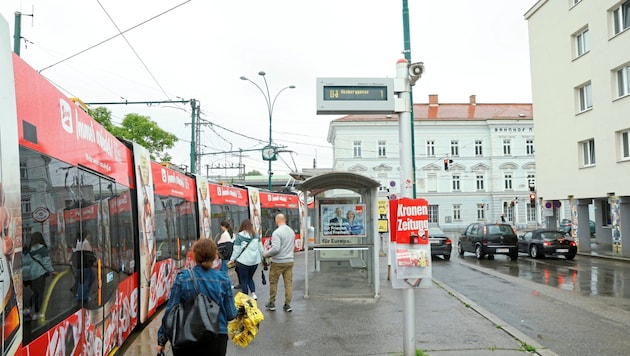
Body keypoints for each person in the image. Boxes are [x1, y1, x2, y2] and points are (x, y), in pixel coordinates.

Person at [157, 238, 237, 356]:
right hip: (216, 336)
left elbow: (170, 311)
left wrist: (162, 339)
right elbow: (231, 315)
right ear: (215, 256)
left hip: (186, 336)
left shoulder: (182, 278)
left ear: (194, 256)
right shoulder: (223, 279)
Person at [263, 214, 295, 312]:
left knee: (273, 282)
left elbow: (275, 249)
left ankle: (272, 303)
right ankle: (287, 304)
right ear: (284, 220)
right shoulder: (291, 231)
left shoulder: (277, 232)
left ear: (277, 221)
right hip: (289, 261)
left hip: (278, 262)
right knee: (288, 284)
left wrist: (266, 254)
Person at [22, 232, 54, 320]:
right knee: (39, 294)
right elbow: (46, 262)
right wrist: (51, 270)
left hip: (28, 276)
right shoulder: (42, 248)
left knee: (35, 293)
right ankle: (36, 313)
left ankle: (27, 308)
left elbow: (24, 263)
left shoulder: (27, 249)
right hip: (39, 274)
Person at [229, 219, 263, 300]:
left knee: (244, 280)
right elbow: (260, 248)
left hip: (243, 262)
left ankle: (245, 297)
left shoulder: (239, 236)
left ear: (242, 226)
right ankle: (253, 294)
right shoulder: (256, 235)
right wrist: (262, 258)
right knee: (250, 278)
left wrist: (232, 259)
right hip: (254, 262)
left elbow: (236, 250)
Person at [73, 232, 96, 304]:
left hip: (79, 265)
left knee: (81, 281)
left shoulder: (78, 242)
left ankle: (80, 296)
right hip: (86, 265)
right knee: (87, 280)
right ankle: (84, 297)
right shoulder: (85, 242)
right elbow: (90, 253)